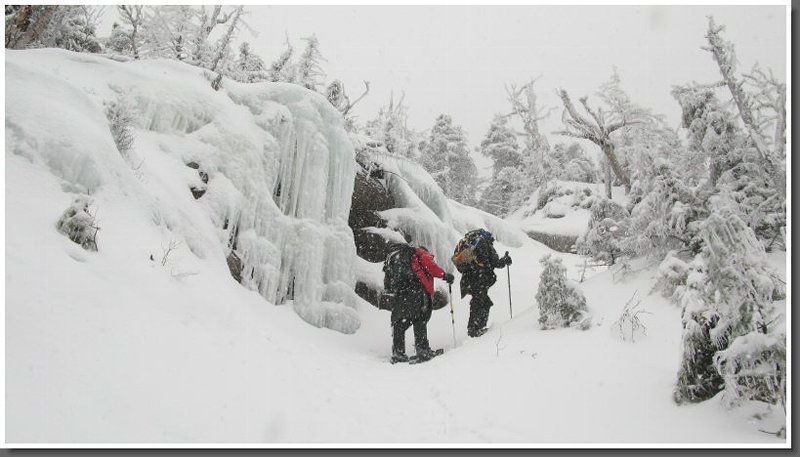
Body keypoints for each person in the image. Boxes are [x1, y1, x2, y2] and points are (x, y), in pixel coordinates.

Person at [387, 243, 454, 363]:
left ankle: (398, 353)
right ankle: (423, 351)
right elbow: (430, 266)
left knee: (401, 322)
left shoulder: (398, 258)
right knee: (420, 319)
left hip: (401, 293)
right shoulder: (421, 253)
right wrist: (444, 275)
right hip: (417, 291)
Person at [459, 229, 511, 337]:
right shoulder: (485, 244)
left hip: (469, 280)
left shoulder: (470, 245)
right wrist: (505, 260)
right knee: (481, 302)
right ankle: (475, 328)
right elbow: (496, 262)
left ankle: (475, 327)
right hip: (480, 279)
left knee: (479, 301)